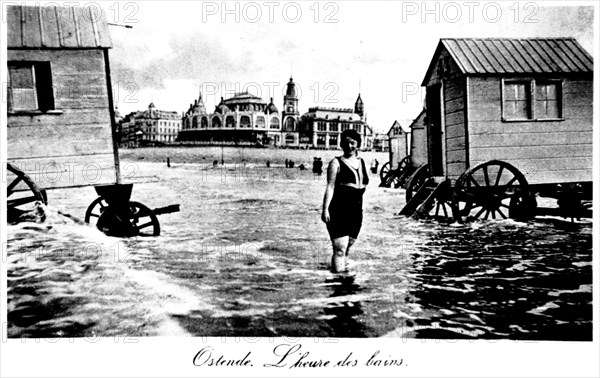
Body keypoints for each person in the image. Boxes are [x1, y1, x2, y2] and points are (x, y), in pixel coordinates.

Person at [321, 129, 369, 273]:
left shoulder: (361, 162)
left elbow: (362, 186)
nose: (349, 147)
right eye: (346, 143)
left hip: (356, 212)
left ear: (358, 144)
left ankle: (343, 279)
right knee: (340, 249)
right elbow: (330, 187)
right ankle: (337, 283)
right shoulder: (335, 163)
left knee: (347, 246)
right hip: (338, 210)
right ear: (341, 144)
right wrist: (325, 209)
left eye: (352, 143)